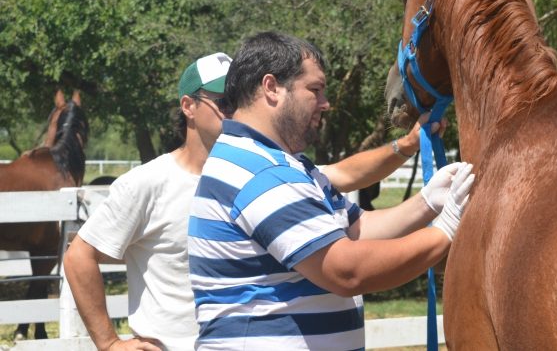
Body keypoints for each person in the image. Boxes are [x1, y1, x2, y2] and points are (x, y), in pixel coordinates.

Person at [64, 52, 429, 351]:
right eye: (223, 101)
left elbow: (344, 174)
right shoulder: (147, 183)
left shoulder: (266, 173)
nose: (233, 108)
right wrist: (110, 343)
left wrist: (406, 147)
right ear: (188, 106)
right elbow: (79, 255)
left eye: (238, 97)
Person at [188, 32, 475, 350]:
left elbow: (358, 228)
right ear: (271, 88)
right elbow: (347, 271)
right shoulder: (260, 171)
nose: (325, 104)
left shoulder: (286, 165)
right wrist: (445, 233)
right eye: (315, 90)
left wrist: (427, 203)